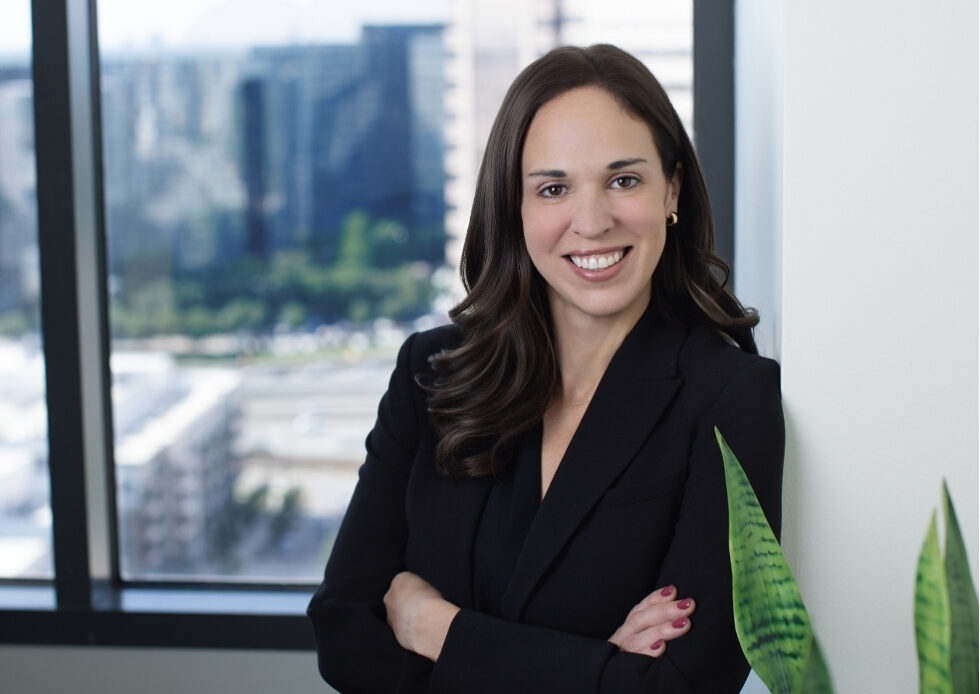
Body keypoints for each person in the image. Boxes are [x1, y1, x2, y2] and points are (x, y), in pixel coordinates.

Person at [308, 44, 784, 693]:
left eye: (624, 180)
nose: (591, 221)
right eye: (554, 188)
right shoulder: (432, 372)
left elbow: (684, 686)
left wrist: (433, 625)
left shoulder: (732, 399)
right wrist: (594, 665)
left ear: (671, 188)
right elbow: (342, 635)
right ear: (517, 206)